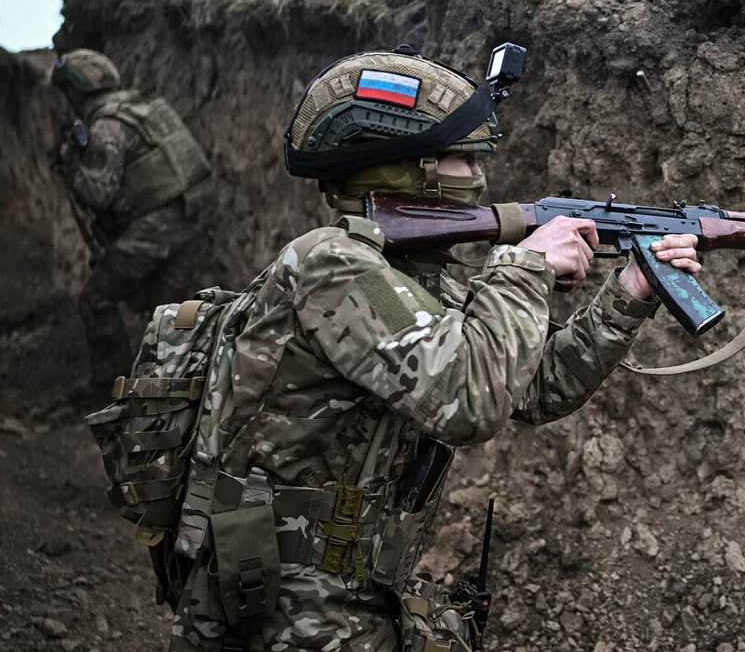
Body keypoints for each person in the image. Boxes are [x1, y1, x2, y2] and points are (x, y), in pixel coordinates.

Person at [167, 46, 701, 651]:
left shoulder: (412, 277)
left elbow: (531, 387)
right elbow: (468, 401)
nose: (478, 176)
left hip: (352, 588)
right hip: (286, 602)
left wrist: (627, 293)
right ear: (401, 168)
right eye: (461, 158)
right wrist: (525, 267)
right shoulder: (330, 266)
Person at [51, 49, 215, 396]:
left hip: (155, 231)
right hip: (192, 218)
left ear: (74, 91)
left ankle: (108, 386)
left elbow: (100, 193)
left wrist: (70, 166)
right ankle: (187, 391)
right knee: (171, 314)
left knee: (95, 300)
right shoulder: (145, 106)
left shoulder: (107, 125)